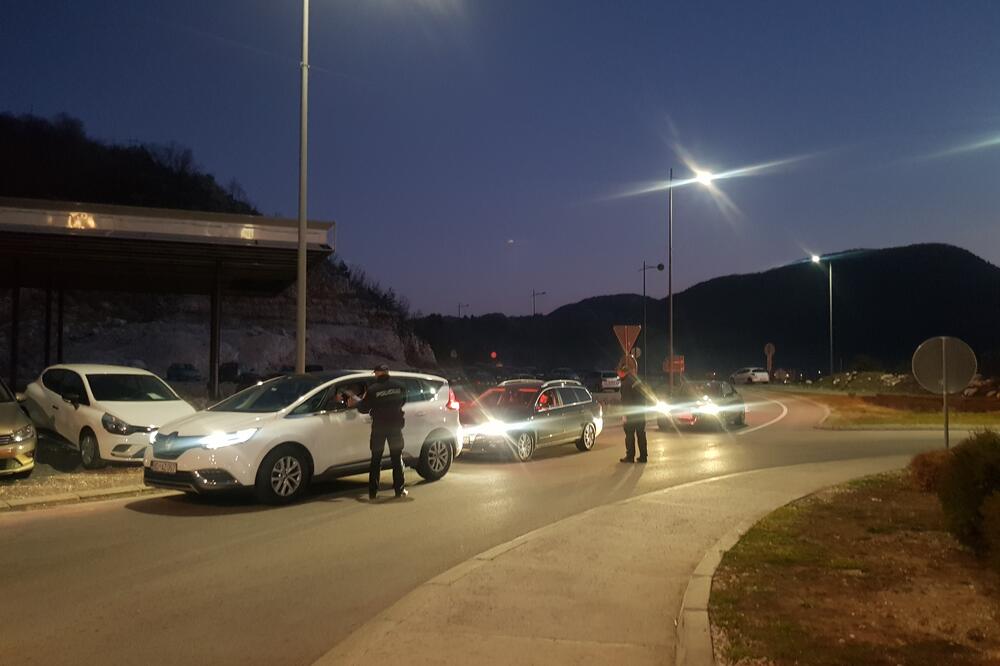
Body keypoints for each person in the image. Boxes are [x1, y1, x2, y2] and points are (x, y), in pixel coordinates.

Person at [346, 365, 408, 500]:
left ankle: (373, 493)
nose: (374, 375)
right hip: (395, 427)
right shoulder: (400, 386)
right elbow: (403, 402)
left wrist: (356, 403)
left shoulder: (373, 389)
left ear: (379, 373)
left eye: (375, 373)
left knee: (376, 460)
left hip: (379, 428)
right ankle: (399, 490)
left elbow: (364, 408)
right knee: (397, 459)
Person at [618, 363, 652, 463]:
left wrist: (624, 415)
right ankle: (643, 456)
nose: (618, 374)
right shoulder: (637, 380)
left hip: (631, 414)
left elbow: (626, 401)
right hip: (640, 412)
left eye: (619, 372)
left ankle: (630, 456)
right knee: (641, 434)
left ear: (622, 372)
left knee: (629, 434)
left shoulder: (625, 383)